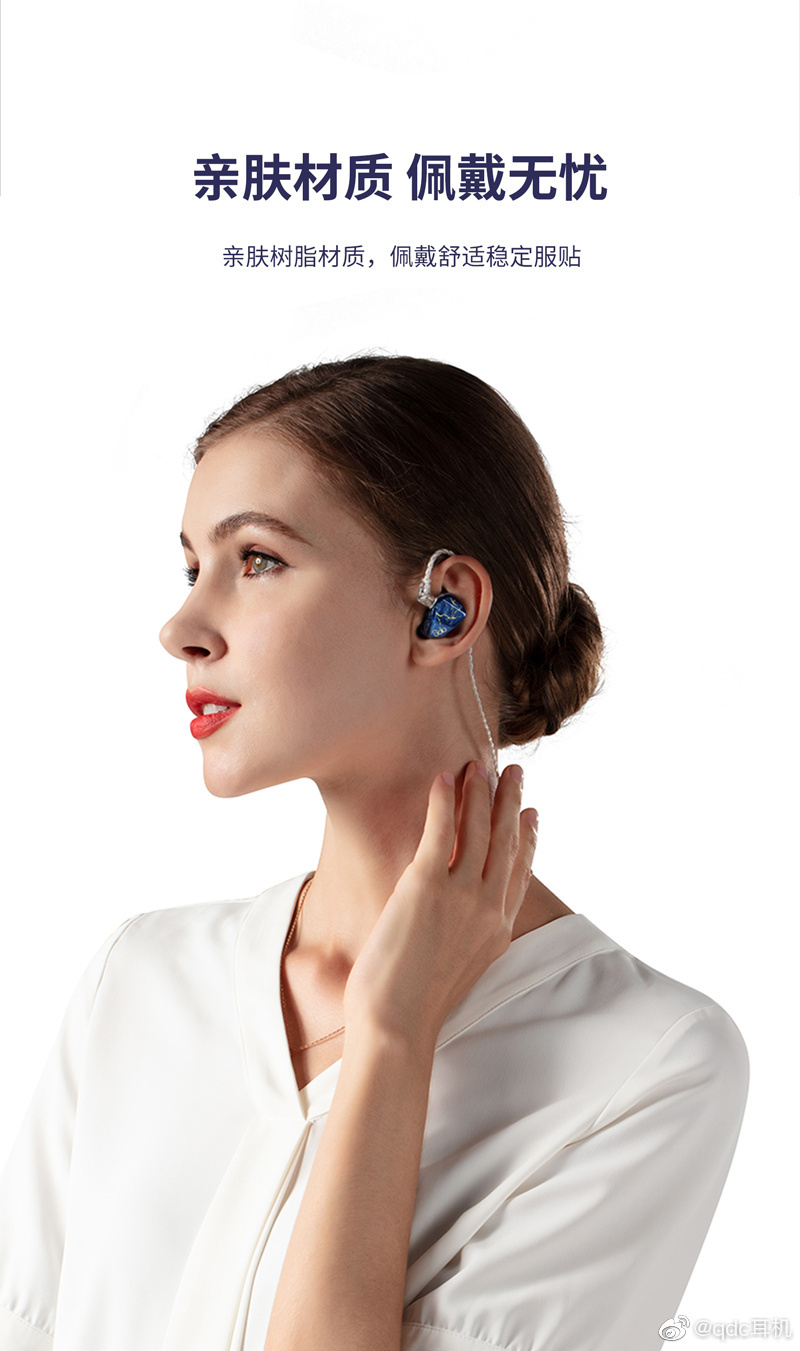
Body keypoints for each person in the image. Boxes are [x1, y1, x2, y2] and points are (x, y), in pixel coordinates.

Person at [0, 355, 748, 1351]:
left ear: (445, 608)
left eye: (256, 559)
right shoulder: (135, 982)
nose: (181, 627)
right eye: (191, 568)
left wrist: (392, 1041)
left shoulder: (648, 1064)